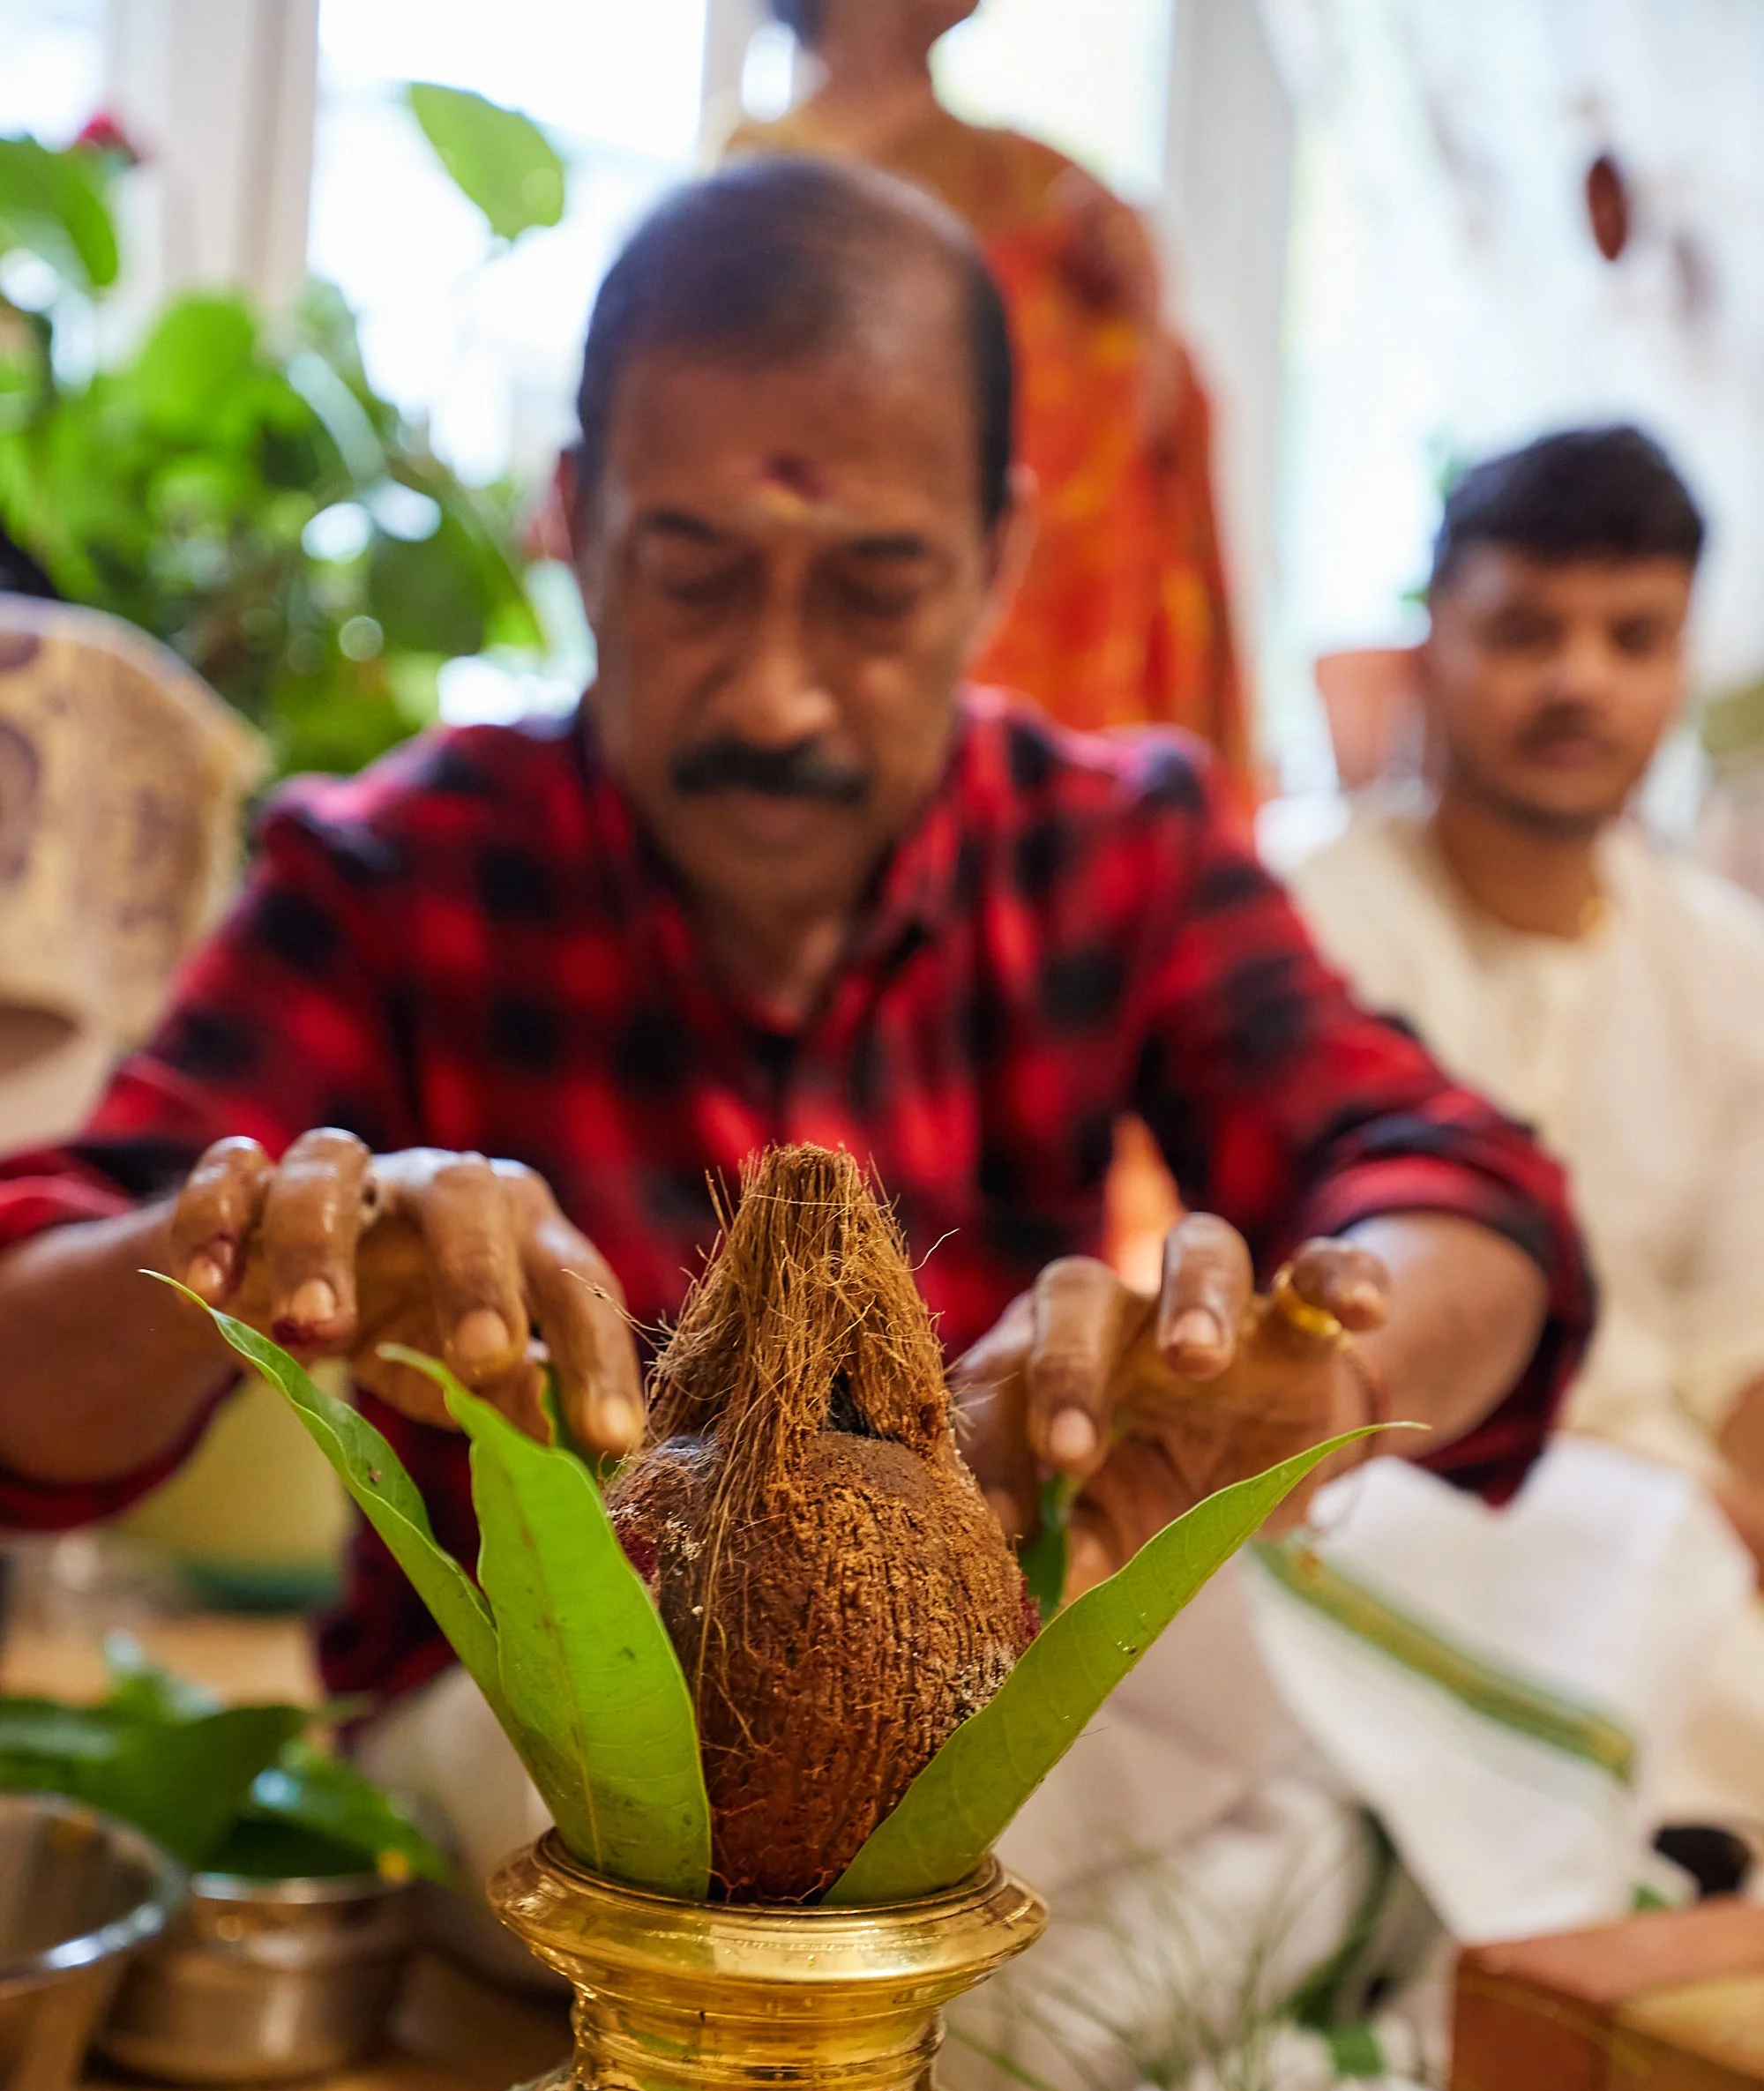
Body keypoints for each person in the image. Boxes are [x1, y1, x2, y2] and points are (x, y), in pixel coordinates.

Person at [0, 162, 1583, 1929]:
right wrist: (240, 1246)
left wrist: (1324, 1366)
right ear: (575, 522)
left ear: (999, 561)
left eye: (874, 592)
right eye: (690, 574)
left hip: (980, 1779)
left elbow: (1469, 1195)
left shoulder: (1109, 849)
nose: (775, 693)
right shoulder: (391, 879)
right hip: (512, 1846)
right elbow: (33, 1328)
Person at [1289, 425, 1764, 1871]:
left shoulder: (1730, 962)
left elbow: (1740, 1343)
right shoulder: (1305, 924)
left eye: (1634, 636)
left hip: (1685, 1546)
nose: (1581, 681)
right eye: (1525, 630)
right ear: (1434, 640)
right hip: (1383, 1491)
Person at [726, 1, 1250, 790]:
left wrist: (1135, 313)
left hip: (1029, 662)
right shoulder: (748, 179)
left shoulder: (1050, 192)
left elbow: (1153, 419)